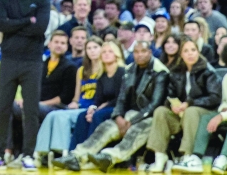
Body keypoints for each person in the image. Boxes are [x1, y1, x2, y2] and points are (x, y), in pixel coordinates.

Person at [59, 40, 170, 173]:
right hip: (130, 113)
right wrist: (118, 116)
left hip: (152, 116)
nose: (139, 55)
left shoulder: (160, 71)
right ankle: (76, 156)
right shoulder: (130, 70)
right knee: (105, 127)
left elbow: (155, 104)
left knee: (136, 131)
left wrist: (131, 122)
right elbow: (122, 98)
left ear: (150, 53)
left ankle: (110, 157)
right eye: (136, 52)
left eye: (143, 51)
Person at [0, 0, 50, 170]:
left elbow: (40, 28)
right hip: (9, 60)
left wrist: (14, 26)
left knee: (30, 110)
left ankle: (29, 155)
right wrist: (25, 21)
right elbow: (1, 24)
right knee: (2, 108)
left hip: (32, 61)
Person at [177, 40, 227, 175]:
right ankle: (196, 156)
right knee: (206, 117)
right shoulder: (226, 77)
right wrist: (223, 110)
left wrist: (222, 115)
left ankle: (224, 158)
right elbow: (224, 101)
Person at [146, 37, 223, 173]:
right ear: (181, 54)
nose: (190, 53)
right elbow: (170, 95)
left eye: (193, 50)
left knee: (191, 111)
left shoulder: (208, 71)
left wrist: (189, 103)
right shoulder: (176, 72)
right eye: (186, 51)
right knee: (160, 111)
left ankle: (189, 157)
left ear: (198, 52)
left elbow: (215, 98)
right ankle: (160, 156)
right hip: (183, 113)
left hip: (206, 113)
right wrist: (172, 106)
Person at [35, 37, 104, 158]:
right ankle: (41, 152)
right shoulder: (82, 70)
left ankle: (63, 152)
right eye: (89, 48)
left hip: (91, 108)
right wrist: (74, 103)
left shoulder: (104, 70)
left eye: (95, 48)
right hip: (80, 106)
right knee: (52, 115)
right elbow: (76, 97)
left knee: (61, 117)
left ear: (101, 49)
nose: (92, 51)